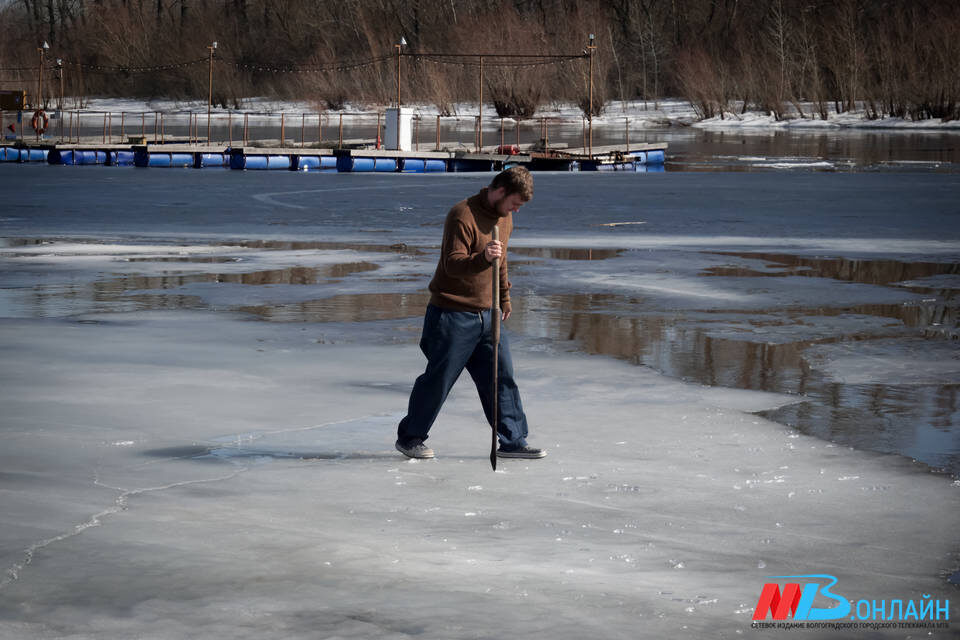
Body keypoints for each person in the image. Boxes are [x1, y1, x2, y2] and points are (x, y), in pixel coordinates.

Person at [396, 166, 545, 460]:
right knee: (438, 381)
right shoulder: (462, 215)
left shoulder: (505, 217)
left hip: (489, 314)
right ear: (499, 191)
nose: (516, 210)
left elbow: (501, 260)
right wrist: (483, 257)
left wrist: (504, 297)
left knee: (502, 378)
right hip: (452, 314)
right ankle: (410, 438)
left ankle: (513, 441)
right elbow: (453, 264)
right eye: (514, 203)